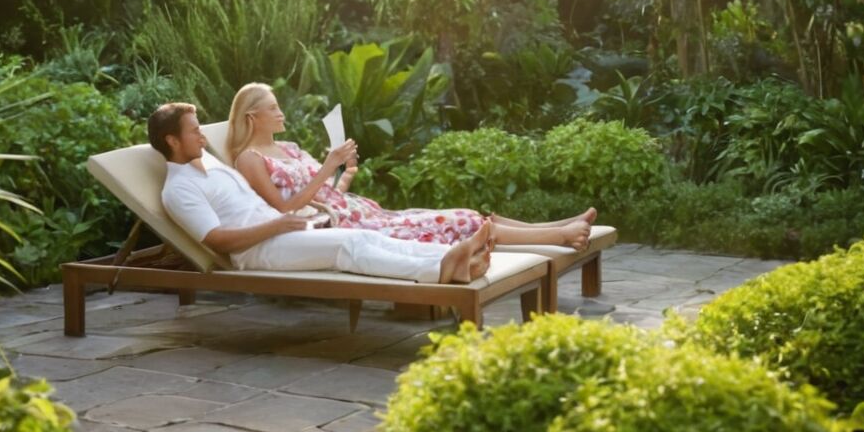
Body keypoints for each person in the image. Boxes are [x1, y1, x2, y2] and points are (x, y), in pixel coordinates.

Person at [148, 102, 495, 285]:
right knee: (347, 247)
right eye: (195, 132)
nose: (204, 137)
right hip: (256, 250)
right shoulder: (179, 189)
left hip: (279, 232)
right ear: (172, 141)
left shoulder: (206, 162)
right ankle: (440, 270)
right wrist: (277, 225)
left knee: (361, 235)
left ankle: (450, 258)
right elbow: (218, 241)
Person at [226, 82, 595, 249]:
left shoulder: (288, 147)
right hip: (344, 226)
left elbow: (323, 195)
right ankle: (559, 237)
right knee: (464, 222)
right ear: (252, 116)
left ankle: (557, 226)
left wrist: (345, 176)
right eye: (273, 107)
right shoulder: (249, 158)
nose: (281, 112)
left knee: (467, 215)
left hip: (355, 210)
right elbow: (284, 209)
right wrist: (328, 167)